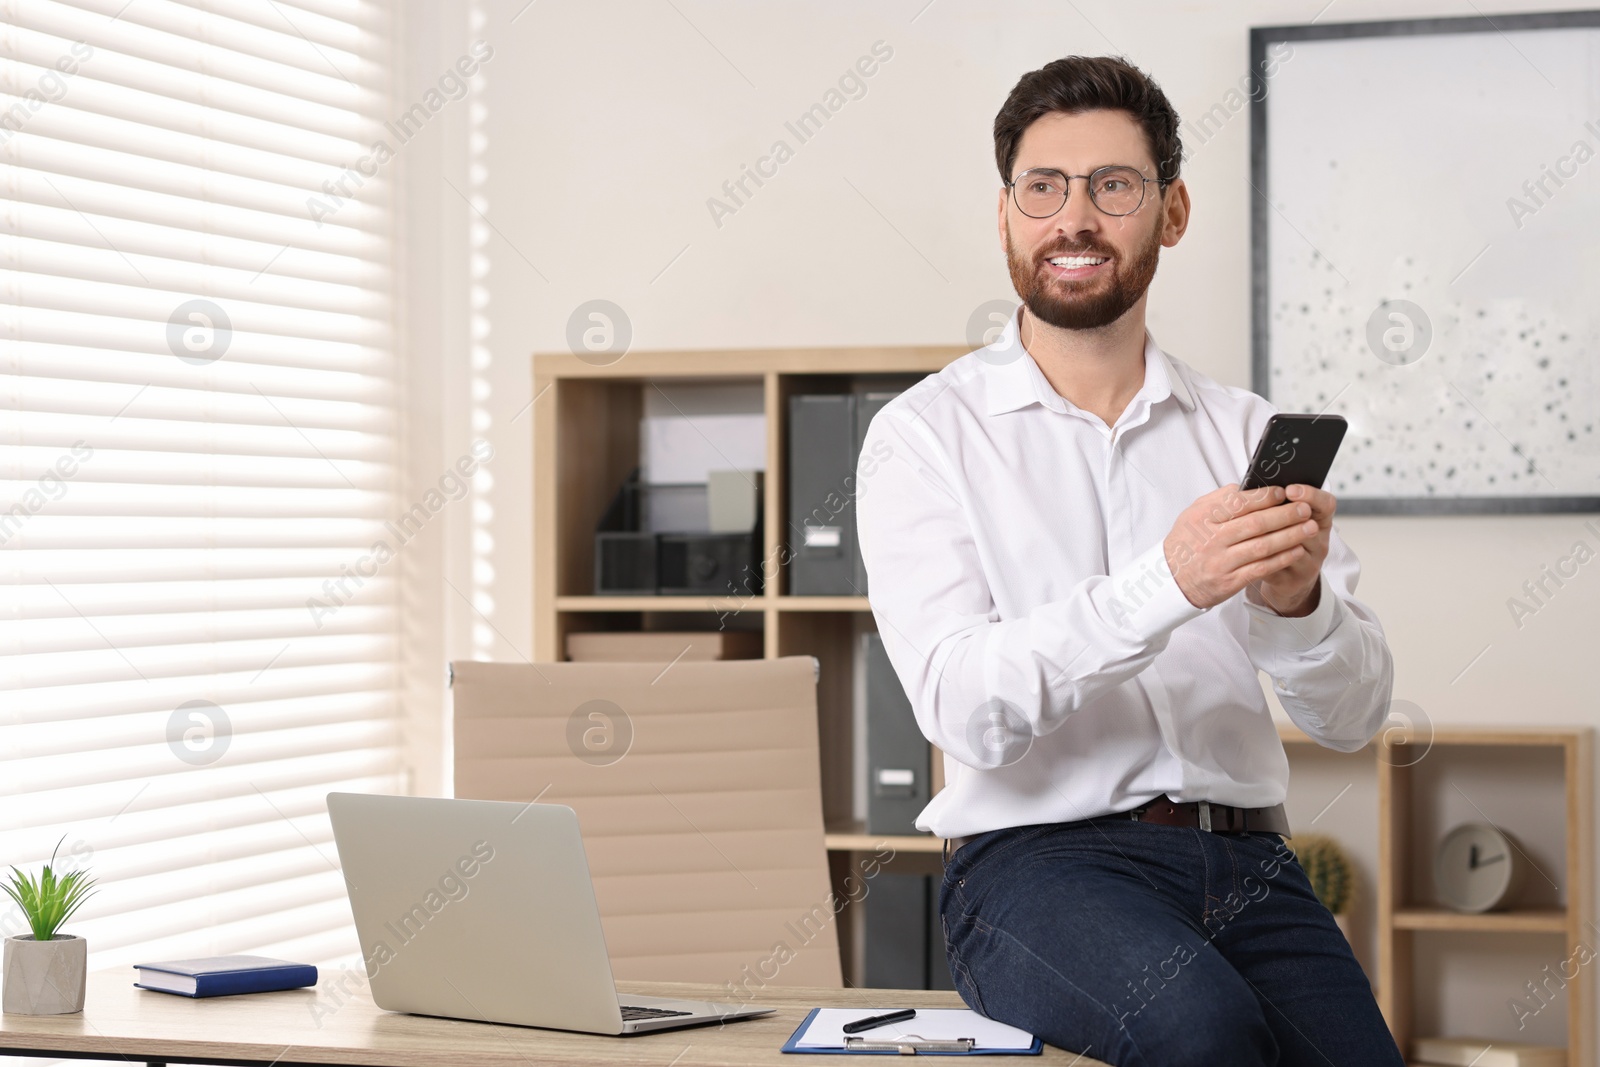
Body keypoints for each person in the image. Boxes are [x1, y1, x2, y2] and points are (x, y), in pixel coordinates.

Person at [855, 55, 1404, 1067]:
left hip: (1245, 855)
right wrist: (1171, 578)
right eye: (1042, 187)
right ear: (1006, 213)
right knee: (1200, 1031)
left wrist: (1297, 604)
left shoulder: (1242, 432)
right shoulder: (923, 435)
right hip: (1037, 865)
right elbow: (960, 703)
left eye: (1112, 186)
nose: (1074, 218)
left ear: (1172, 210)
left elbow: (1353, 714)